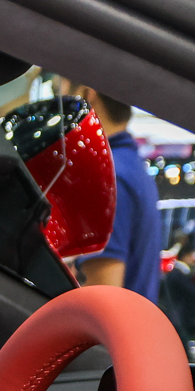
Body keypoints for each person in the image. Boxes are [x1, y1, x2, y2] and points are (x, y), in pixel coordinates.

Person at [72, 89, 161, 303]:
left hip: (112, 324)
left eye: (61, 90)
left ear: (86, 93)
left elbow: (100, 300)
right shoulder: (129, 166)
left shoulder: (106, 175)